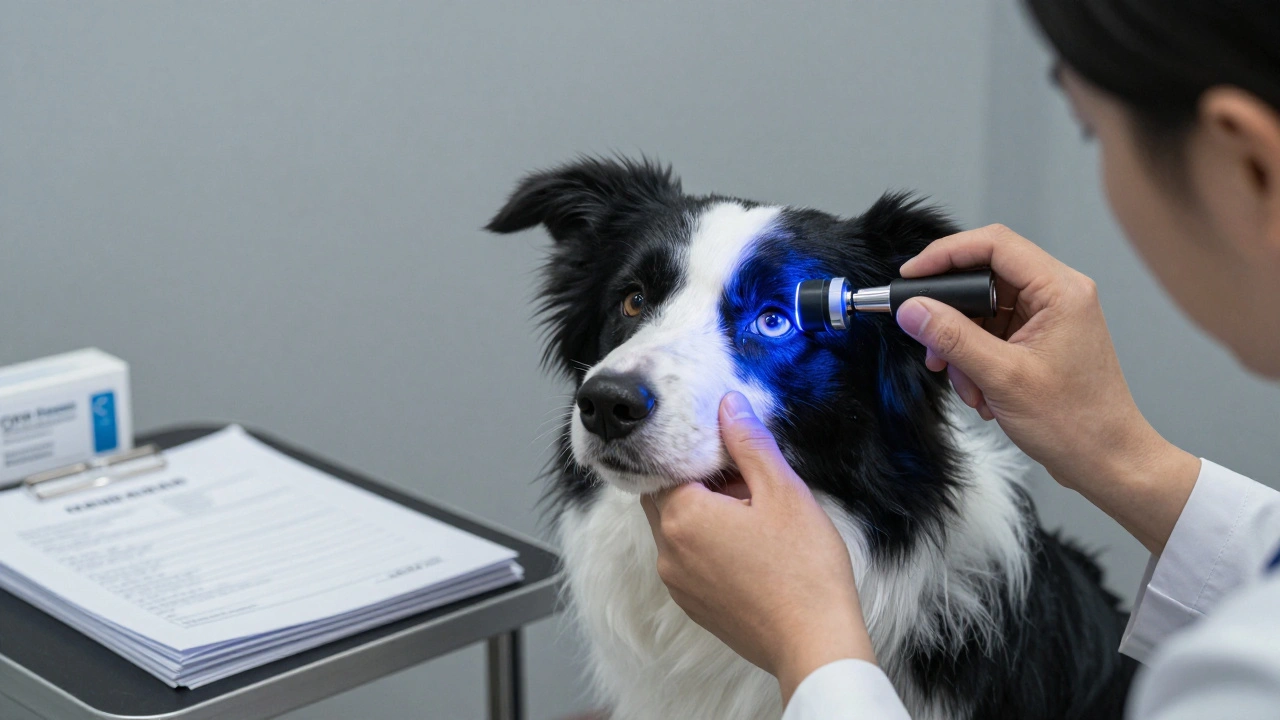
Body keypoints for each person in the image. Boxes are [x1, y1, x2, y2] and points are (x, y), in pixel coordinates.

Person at [640, 2, 1280, 718]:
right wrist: (1121, 455)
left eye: (1092, 132)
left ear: (1248, 166)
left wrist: (811, 644)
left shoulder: (1235, 687)